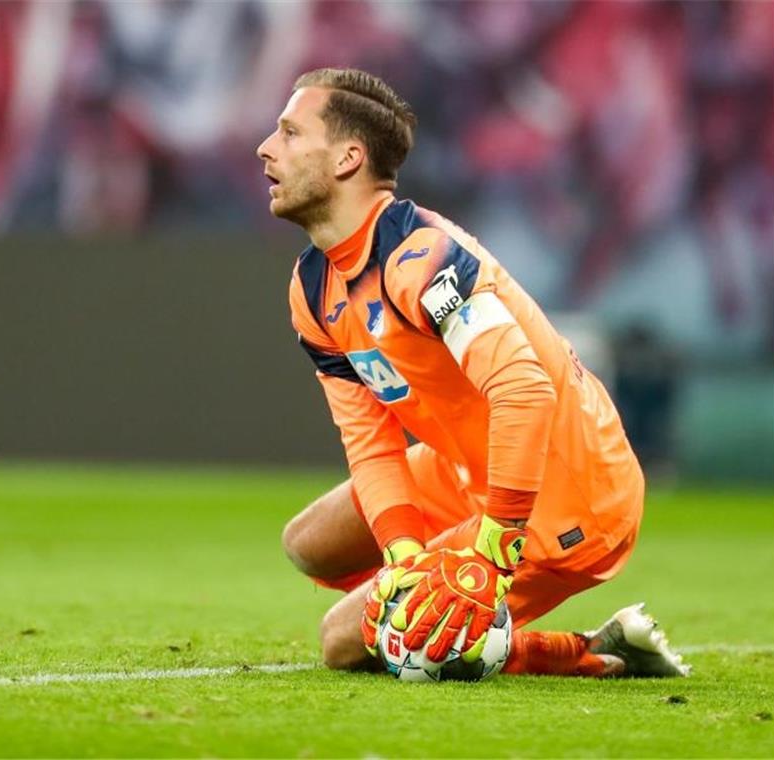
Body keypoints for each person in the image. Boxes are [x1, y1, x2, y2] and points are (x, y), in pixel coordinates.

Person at [256, 68, 689, 678]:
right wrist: (405, 554)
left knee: (343, 641)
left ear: (348, 159)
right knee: (309, 544)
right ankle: (439, 605)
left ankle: (589, 651)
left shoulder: (422, 259)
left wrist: (493, 548)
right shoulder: (313, 290)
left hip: (571, 491)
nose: (266, 148)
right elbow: (371, 444)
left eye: (290, 133)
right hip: (471, 468)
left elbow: (523, 388)